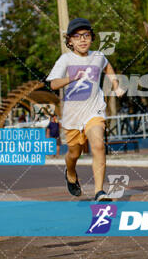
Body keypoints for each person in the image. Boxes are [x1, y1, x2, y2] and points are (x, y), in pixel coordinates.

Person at [47, 18, 123, 201]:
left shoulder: (98, 57)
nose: (82, 40)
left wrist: (115, 84)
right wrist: (72, 78)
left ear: (91, 38)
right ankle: (70, 172)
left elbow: (108, 66)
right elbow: (54, 84)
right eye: (77, 36)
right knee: (74, 153)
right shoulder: (65, 59)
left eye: (86, 35)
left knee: (98, 145)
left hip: (94, 110)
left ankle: (99, 191)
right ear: (70, 41)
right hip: (72, 116)